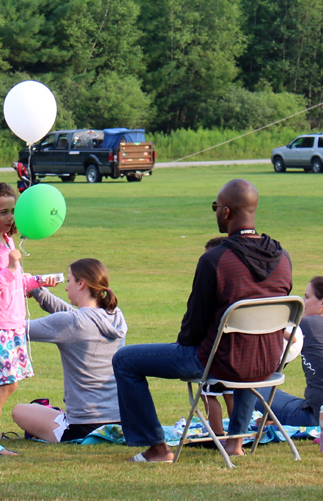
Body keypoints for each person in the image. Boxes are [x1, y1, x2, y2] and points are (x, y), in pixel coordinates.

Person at [112, 179, 292, 462]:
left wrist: (185, 345)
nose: (216, 212)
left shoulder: (216, 260)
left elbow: (194, 327)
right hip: (267, 362)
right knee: (247, 345)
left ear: (227, 212)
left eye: (216, 207)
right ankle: (235, 443)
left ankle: (156, 448)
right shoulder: (283, 258)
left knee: (124, 359)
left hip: (218, 361)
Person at [11, 258, 128, 444]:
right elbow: (73, 317)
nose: (66, 288)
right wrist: (36, 289)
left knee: (19, 410)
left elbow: (12, 329)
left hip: (81, 425)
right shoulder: (116, 316)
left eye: (69, 281)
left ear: (81, 284)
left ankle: (56, 417)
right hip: (119, 419)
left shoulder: (72, 322)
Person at [0, 182, 47, 458]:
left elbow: (14, 279)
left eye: (13, 211)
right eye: (3, 212)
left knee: (2, 385)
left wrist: (37, 281)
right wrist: (11, 267)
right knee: (6, 384)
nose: (10, 218)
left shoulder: (8, 242)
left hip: (13, 324)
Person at [248, 276, 323, 427]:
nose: (303, 301)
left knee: (249, 388)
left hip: (321, 418)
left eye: (307, 297)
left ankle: (276, 422)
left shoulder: (308, 324)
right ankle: (277, 420)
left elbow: (274, 364)